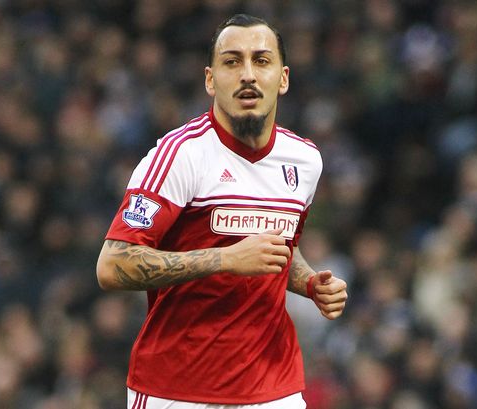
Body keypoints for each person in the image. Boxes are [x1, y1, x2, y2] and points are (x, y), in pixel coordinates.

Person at [96, 14, 348, 409]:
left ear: (282, 78)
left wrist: (310, 284)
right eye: (232, 62)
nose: (247, 74)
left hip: (273, 387)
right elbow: (113, 265)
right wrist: (225, 259)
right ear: (211, 80)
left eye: (261, 61)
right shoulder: (180, 155)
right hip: (177, 389)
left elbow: (280, 248)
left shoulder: (304, 160)